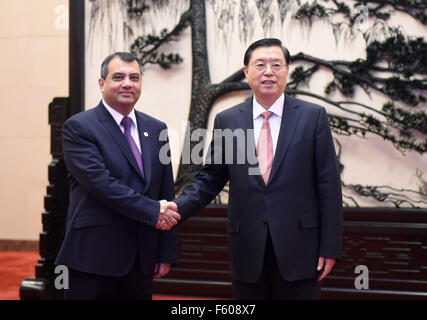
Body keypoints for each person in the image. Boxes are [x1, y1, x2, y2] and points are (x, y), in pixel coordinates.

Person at [168, 38, 342, 299]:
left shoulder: (312, 116)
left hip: (301, 247)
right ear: (247, 72)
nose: (268, 71)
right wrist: (175, 209)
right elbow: (211, 177)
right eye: (260, 65)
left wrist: (330, 246)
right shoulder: (228, 120)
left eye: (276, 64)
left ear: (287, 71)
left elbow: (328, 184)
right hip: (248, 247)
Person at [55, 52, 180, 300]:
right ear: (102, 84)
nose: (127, 83)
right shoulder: (79, 127)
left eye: (134, 77)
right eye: (118, 77)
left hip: (141, 259)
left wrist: (165, 252)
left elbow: (165, 190)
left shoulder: (157, 129)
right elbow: (101, 184)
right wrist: (153, 210)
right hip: (92, 257)